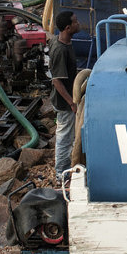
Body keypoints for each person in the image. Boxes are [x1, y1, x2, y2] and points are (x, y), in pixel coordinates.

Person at [47, 10, 80, 175]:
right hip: (64, 101)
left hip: (66, 98)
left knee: (67, 135)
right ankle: (61, 172)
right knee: (64, 137)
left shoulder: (60, 41)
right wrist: (71, 103)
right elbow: (57, 81)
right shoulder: (61, 50)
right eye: (75, 22)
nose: (78, 24)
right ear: (68, 28)